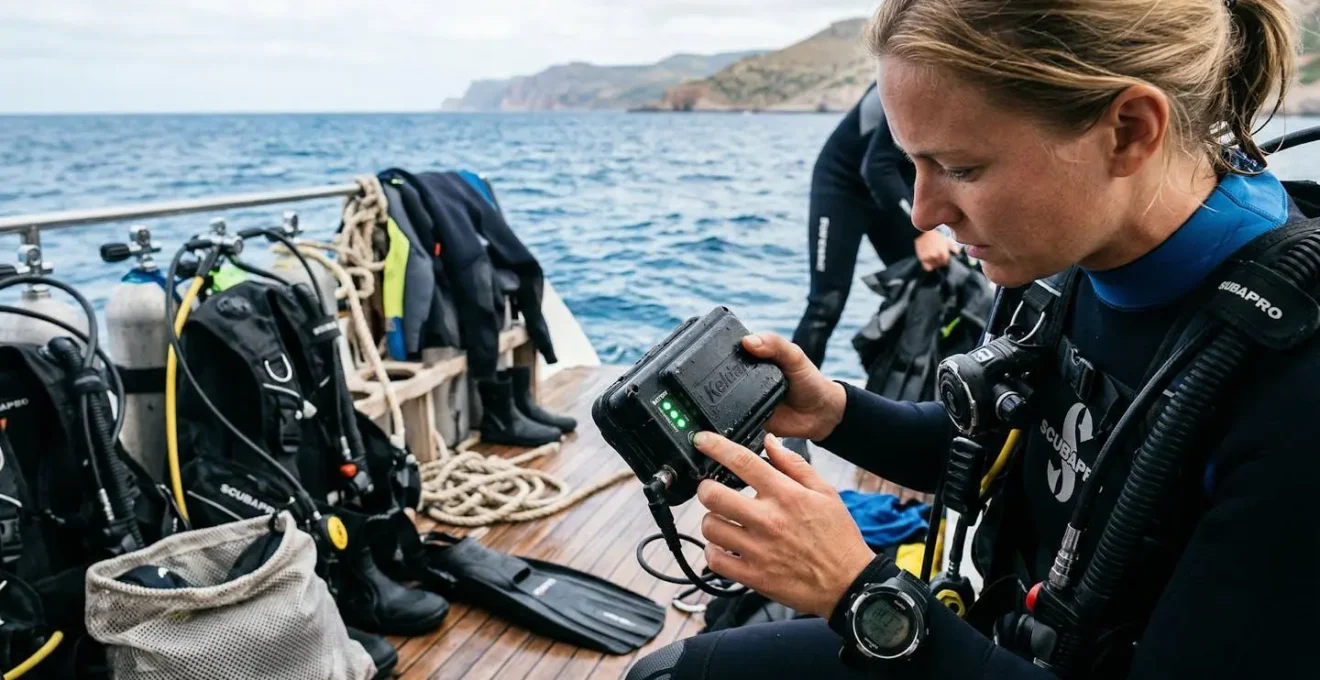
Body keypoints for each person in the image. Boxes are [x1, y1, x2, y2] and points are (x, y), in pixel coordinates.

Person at [626, 0, 1318, 678]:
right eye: (913, 164)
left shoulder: (1293, 387)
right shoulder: (1079, 252)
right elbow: (995, 446)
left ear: (1129, 132)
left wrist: (855, 590)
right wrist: (834, 411)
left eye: (960, 169)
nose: (924, 212)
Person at [792, 82, 960, 368]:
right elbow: (877, 165)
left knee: (933, 285)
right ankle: (791, 392)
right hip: (843, 185)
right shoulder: (915, 77)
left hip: (890, 188)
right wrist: (922, 231)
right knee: (825, 304)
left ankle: (901, 385)